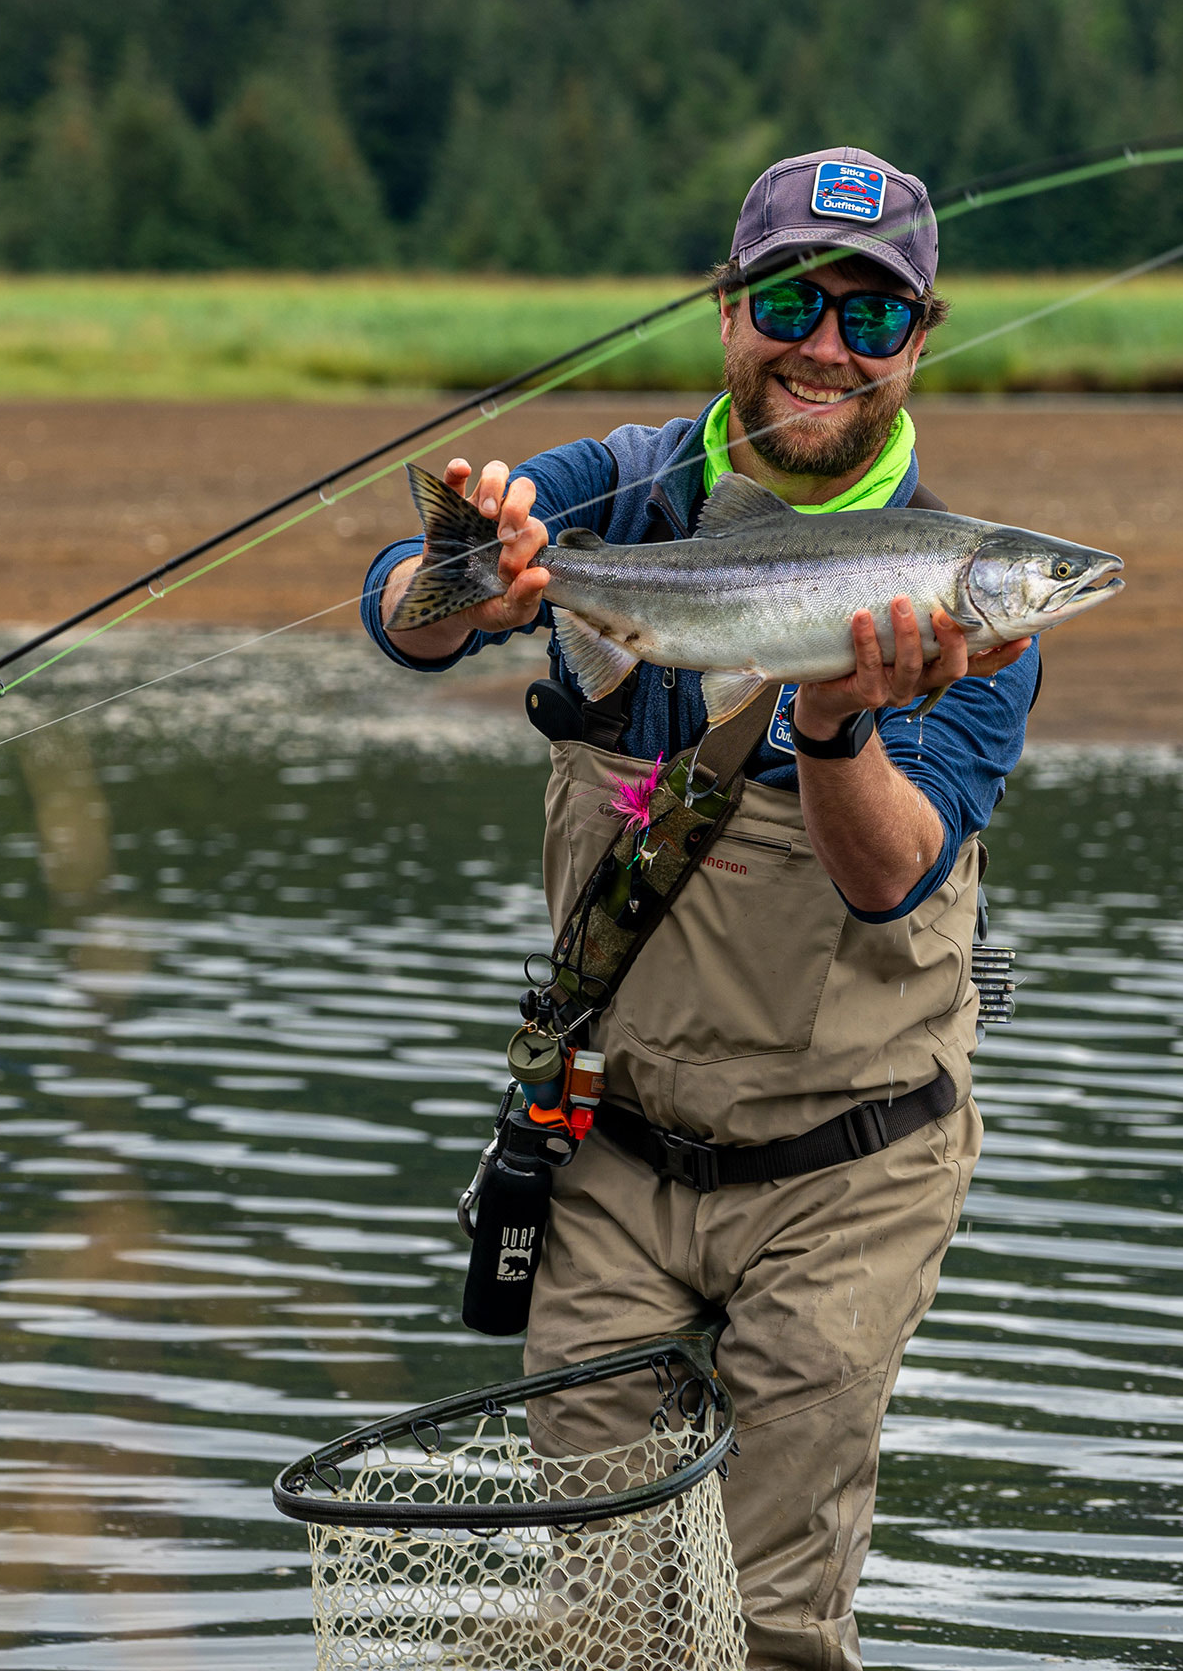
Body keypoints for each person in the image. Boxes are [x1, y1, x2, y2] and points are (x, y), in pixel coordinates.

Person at [362, 148, 1030, 1669]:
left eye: (872, 319)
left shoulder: (963, 598)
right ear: (731, 307)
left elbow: (887, 879)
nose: (824, 346)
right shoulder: (636, 483)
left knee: (775, 1625)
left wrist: (841, 725)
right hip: (615, 1152)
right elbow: (403, 615)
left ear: (921, 343)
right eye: (793, 299)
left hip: (848, 1171)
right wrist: (474, 572)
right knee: (597, 1617)